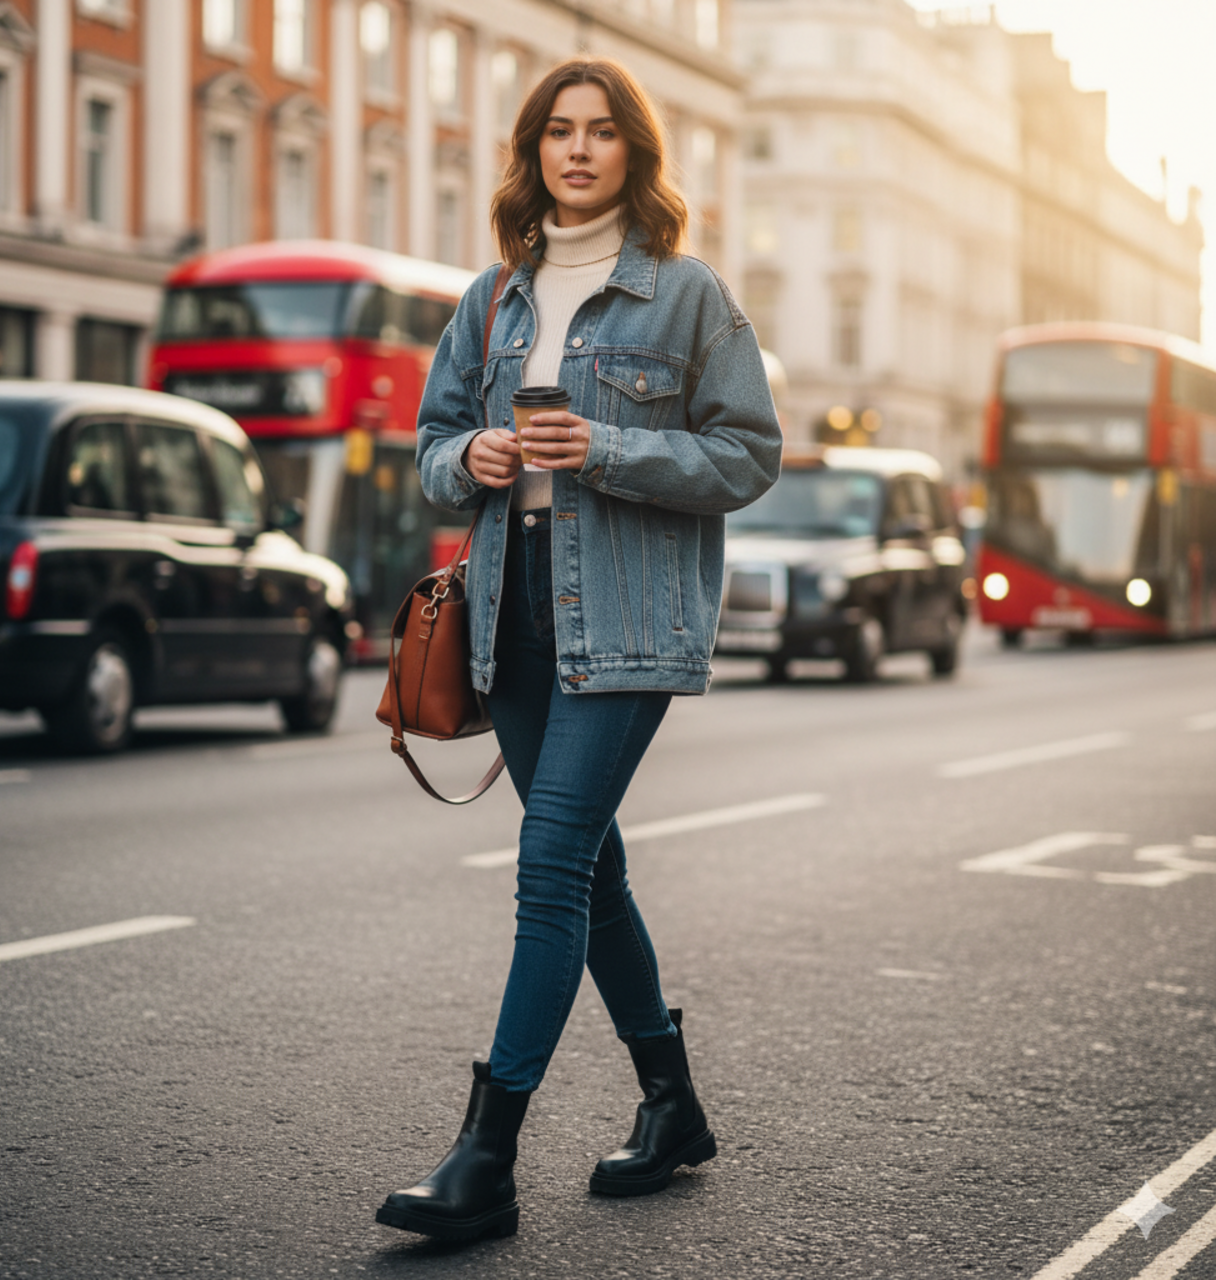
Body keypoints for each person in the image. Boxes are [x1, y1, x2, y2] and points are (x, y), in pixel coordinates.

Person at [376, 56, 782, 1243]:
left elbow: (746, 455)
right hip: (510, 616)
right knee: (590, 870)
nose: (578, 150)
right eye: (558, 130)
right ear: (533, 149)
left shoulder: (685, 295)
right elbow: (432, 441)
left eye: (601, 132)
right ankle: (672, 1104)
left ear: (632, 152)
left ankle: (483, 1156)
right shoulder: (495, 294)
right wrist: (475, 462)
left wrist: (601, 445)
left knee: (547, 865)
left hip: (627, 621)